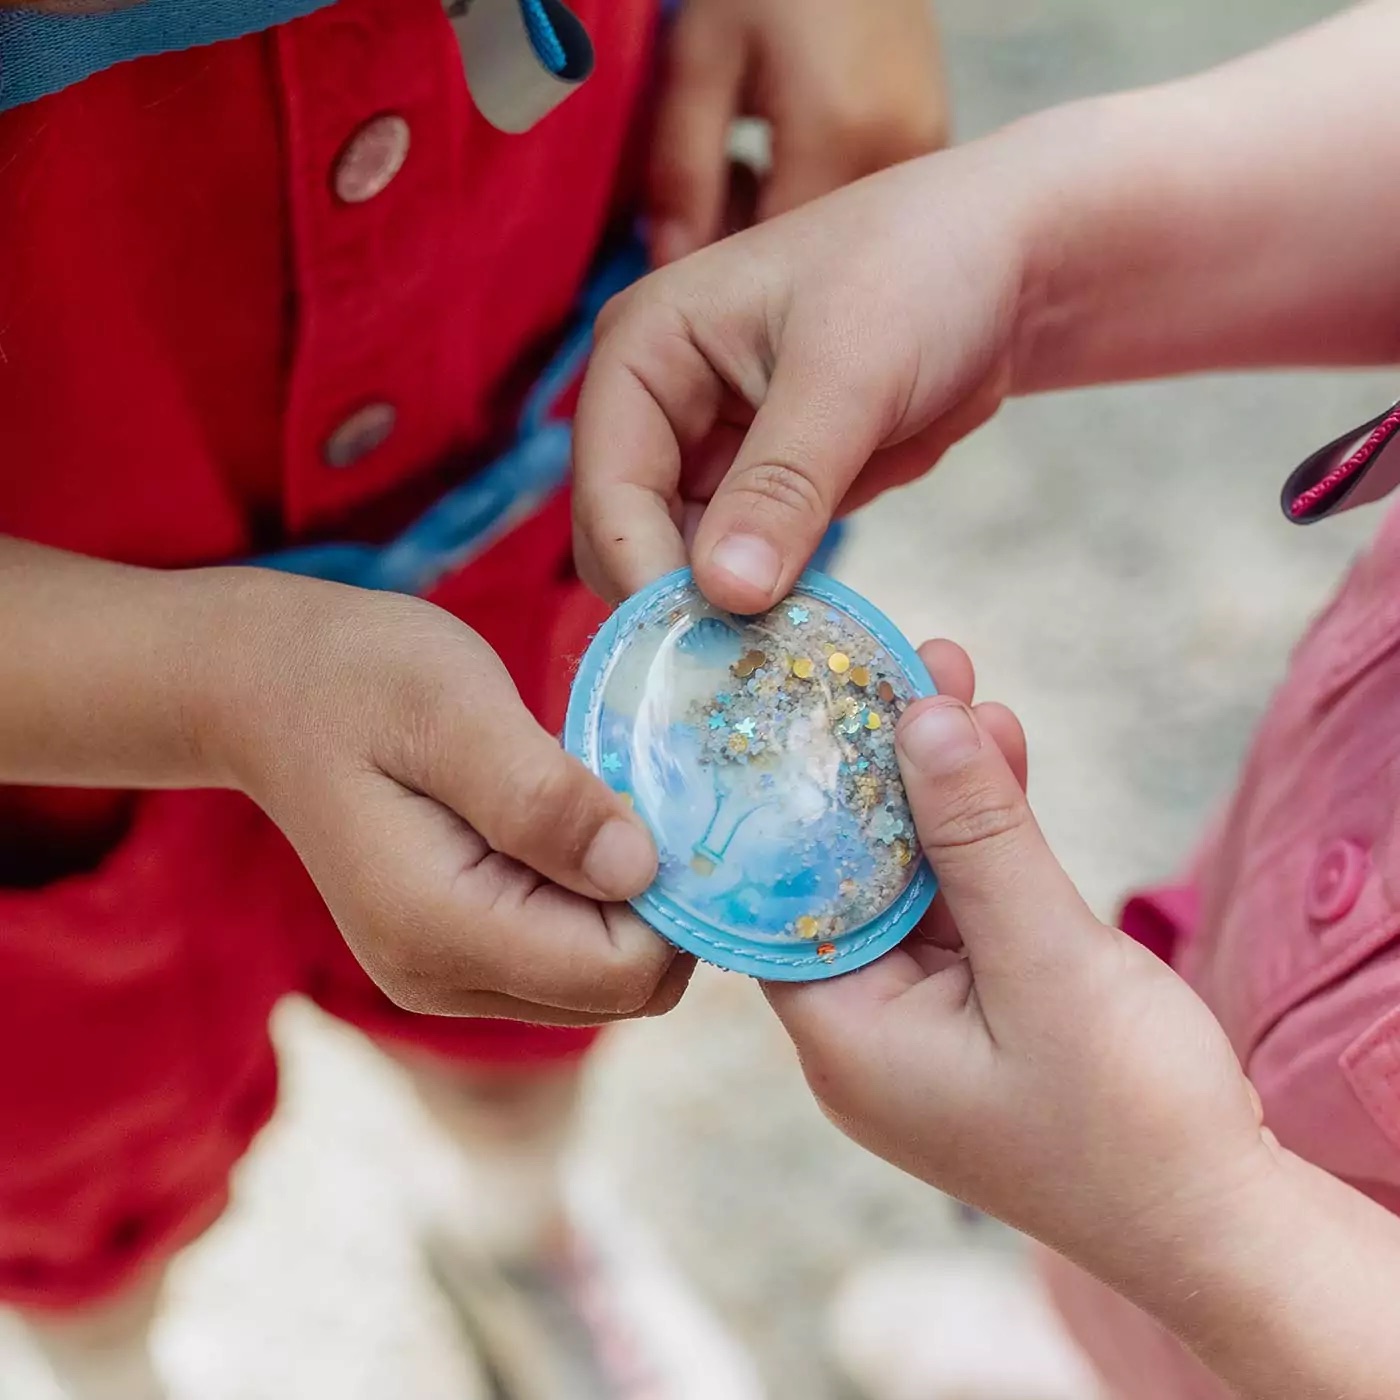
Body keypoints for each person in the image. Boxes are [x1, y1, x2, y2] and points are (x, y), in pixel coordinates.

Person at [0, 1, 949, 1397]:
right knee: (69, 1153)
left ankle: (520, 1232)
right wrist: (209, 687)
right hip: (41, 705)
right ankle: (102, 1365)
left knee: (523, 989)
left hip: (521, 438)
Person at [572, 3, 1400, 1395]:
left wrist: (1208, 1233)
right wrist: (1017, 247)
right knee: (1118, 1263)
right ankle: (1085, 1322)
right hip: (1273, 946)